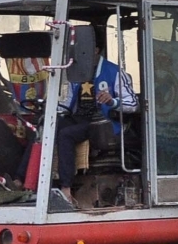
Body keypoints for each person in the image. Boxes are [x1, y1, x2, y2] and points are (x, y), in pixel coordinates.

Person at [54, 36, 138, 207]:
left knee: (66, 135)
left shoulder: (114, 72)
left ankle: (66, 189)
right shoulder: (74, 72)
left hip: (102, 123)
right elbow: (67, 101)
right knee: (44, 129)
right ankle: (21, 181)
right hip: (78, 118)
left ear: (96, 50)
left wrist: (112, 102)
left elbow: (133, 104)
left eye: (82, 50)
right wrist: (51, 112)